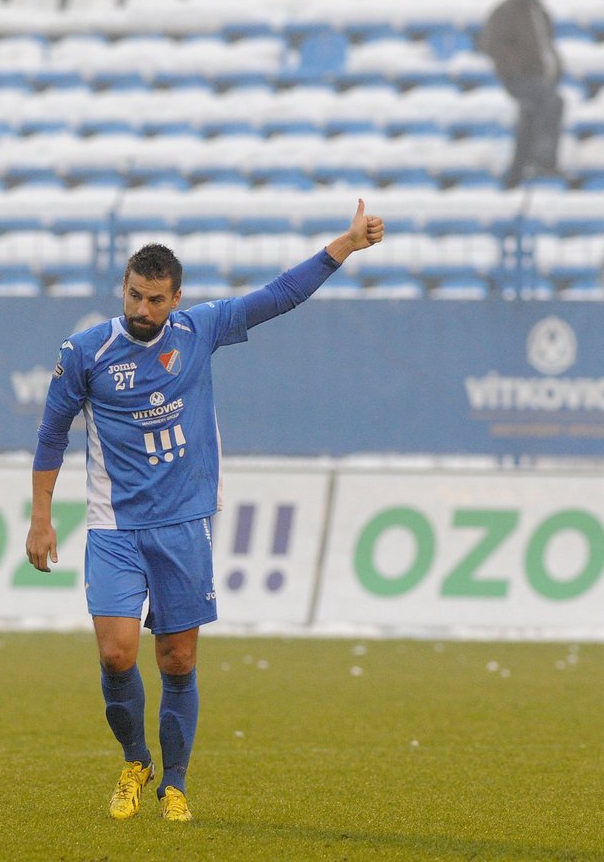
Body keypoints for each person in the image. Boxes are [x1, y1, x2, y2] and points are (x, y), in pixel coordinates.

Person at [25, 200, 384, 823]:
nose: (143, 310)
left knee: (178, 660)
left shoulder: (201, 330)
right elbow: (52, 431)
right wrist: (40, 516)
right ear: (125, 288)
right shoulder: (86, 352)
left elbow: (278, 296)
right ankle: (136, 760)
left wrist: (345, 246)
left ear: (176, 297)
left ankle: (177, 783)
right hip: (113, 526)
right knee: (115, 655)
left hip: (184, 522)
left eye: (156, 300)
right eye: (135, 296)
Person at [481, 0, 564, 188]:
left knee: (530, 116)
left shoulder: (539, 11)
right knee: (552, 101)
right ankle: (544, 156)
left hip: (541, 77)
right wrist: (516, 68)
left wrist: (556, 67)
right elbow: (493, 44)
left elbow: (547, 44)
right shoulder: (505, 11)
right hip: (519, 78)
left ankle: (517, 174)